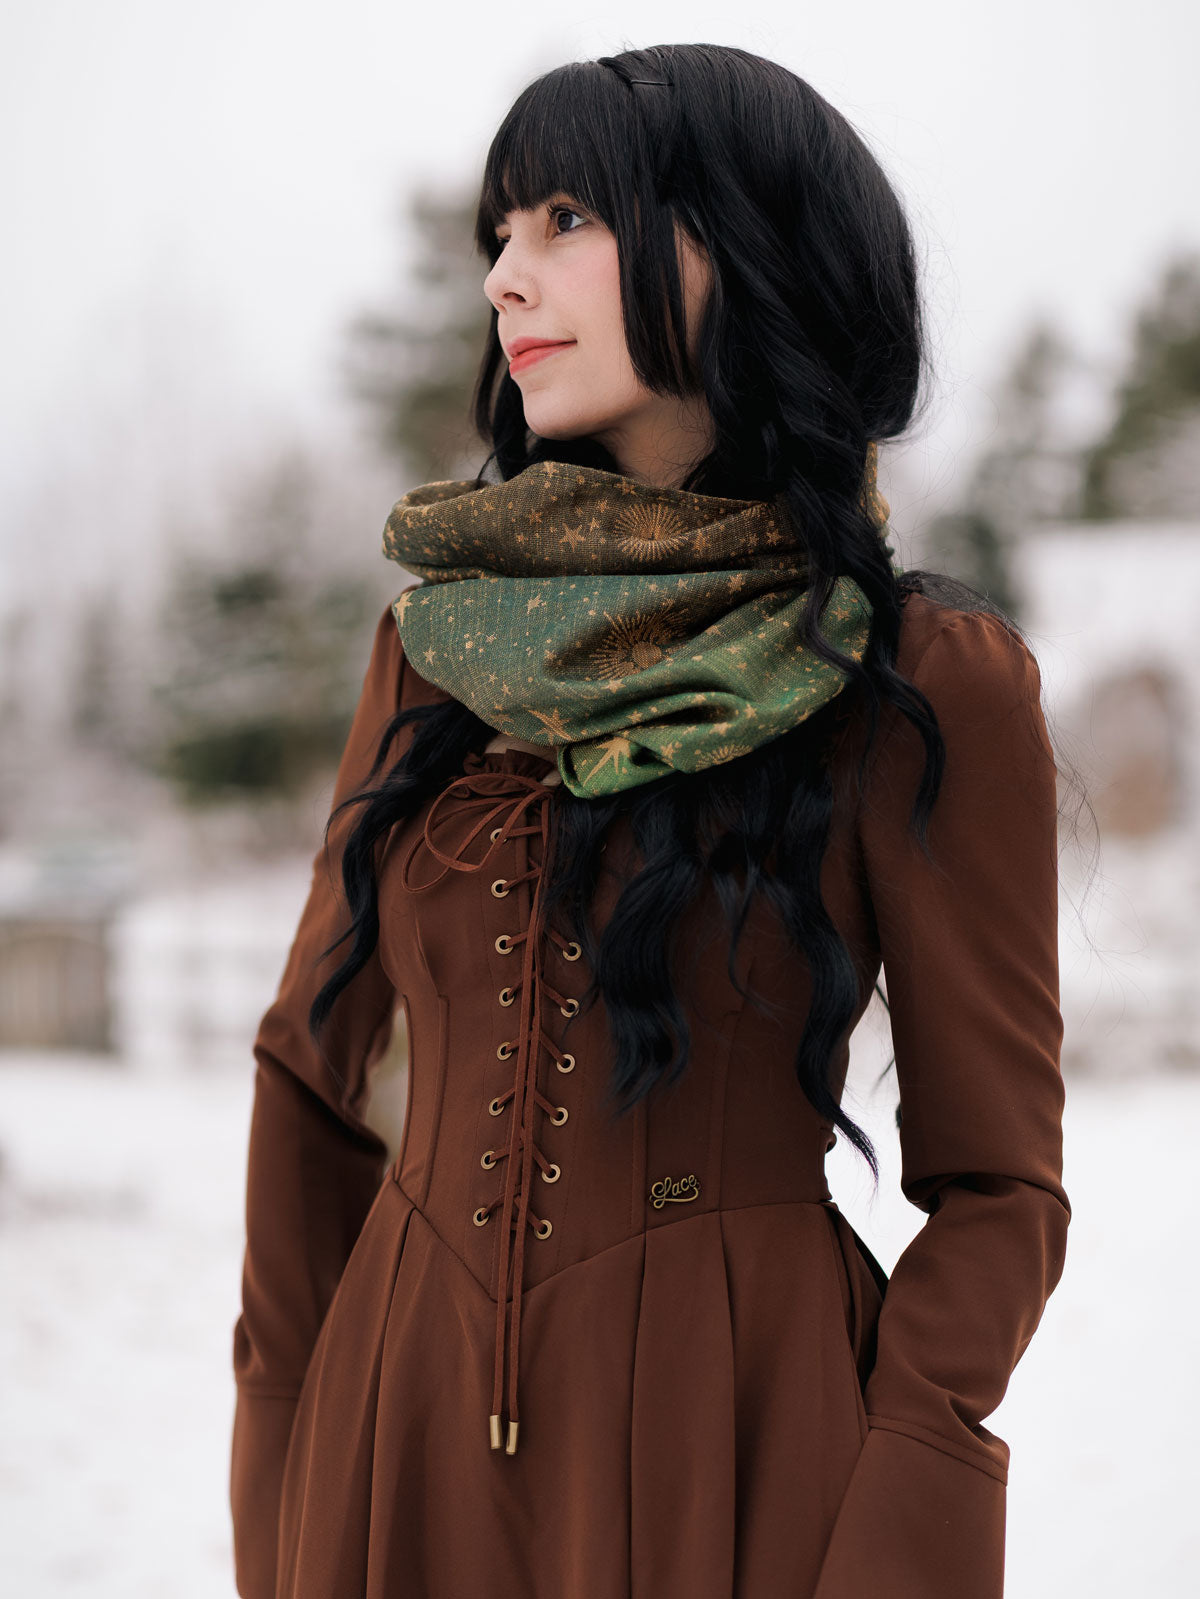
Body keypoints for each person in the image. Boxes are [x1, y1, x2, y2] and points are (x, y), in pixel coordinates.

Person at [229, 42, 1071, 1599]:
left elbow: (1001, 1192)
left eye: (564, 218)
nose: (503, 276)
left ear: (739, 247)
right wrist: (286, 1457)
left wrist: (898, 1505)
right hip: (393, 1443)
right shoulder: (441, 647)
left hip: (742, 1458)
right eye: (498, 231)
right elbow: (308, 1064)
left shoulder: (923, 684)